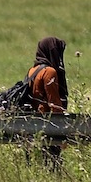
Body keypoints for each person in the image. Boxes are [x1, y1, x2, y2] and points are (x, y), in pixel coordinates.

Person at [28, 36, 68, 166]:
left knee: (35, 163)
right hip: (48, 125)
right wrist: (61, 133)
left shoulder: (33, 70)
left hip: (33, 124)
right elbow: (54, 104)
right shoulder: (49, 71)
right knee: (52, 165)